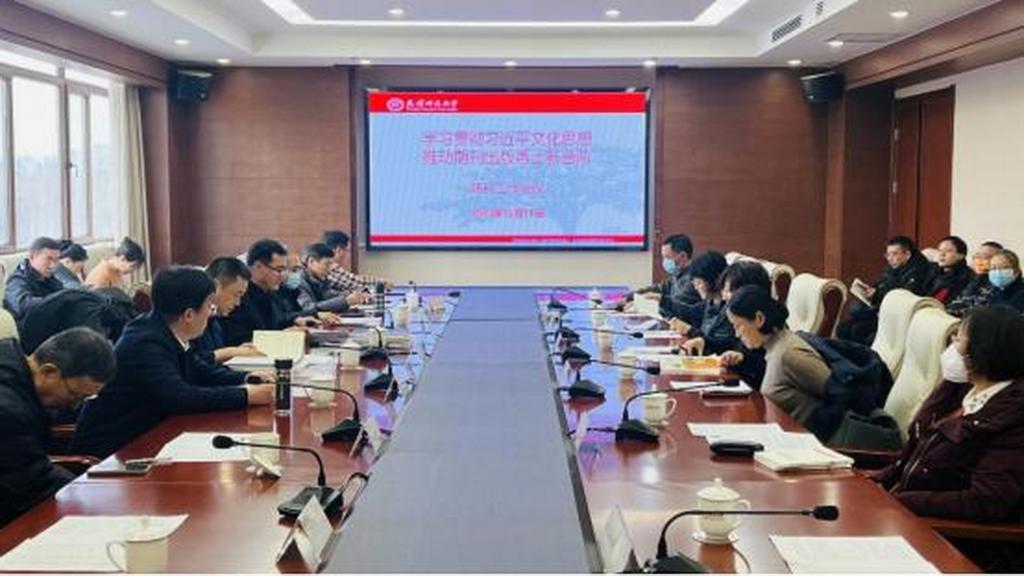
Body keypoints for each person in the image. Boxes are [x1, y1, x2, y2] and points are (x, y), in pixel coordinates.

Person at [875, 306, 1024, 572]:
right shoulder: (963, 390)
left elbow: (986, 501)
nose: (952, 344)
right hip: (905, 519)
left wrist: (901, 501)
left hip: (955, 543)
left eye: (959, 338)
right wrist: (872, 483)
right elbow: (915, 449)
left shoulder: (1014, 414)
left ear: (982, 351)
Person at [71, 267, 275, 458]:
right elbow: (179, 397)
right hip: (114, 450)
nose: (211, 312)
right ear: (189, 315)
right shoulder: (145, 342)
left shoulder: (163, 330)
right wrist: (246, 395)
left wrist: (246, 377)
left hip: (150, 436)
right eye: (208, 306)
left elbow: (199, 370)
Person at [725, 286, 895, 447]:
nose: (737, 334)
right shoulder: (774, 347)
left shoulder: (789, 353)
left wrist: (809, 439)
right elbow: (778, 384)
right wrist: (743, 363)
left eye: (738, 326)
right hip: (793, 437)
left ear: (759, 319)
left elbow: (841, 392)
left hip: (832, 443)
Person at [0, 328, 116, 527]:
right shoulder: (8, 410)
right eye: (74, 395)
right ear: (48, 372)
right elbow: (31, 483)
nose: (75, 406)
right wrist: (91, 495)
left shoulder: (13, 373)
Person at [221, 239, 323, 347]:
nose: (283, 275)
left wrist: (296, 321)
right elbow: (239, 340)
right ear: (258, 266)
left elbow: (280, 321)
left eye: (285, 270)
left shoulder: (272, 292)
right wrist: (283, 336)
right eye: (279, 270)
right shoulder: (238, 296)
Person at [837, 236, 937, 345]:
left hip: (897, 318)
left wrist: (878, 295)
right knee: (844, 327)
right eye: (888, 254)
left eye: (894, 254)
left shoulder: (919, 271)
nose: (890, 258)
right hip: (880, 310)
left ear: (907, 255)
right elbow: (881, 285)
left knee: (858, 331)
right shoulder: (893, 269)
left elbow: (904, 297)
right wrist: (871, 291)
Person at [193, 257, 263, 365]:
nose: (238, 303)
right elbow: (192, 364)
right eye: (236, 295)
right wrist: (229, 352)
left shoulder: (215, 320)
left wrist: (237, 351)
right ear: (215, 287)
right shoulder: (192, 318)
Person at [668, 251, 728, 352]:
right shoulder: (709, 303)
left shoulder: (729, 309)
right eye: (694, 283)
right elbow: (689, 312)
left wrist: (689, 330)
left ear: (715, 280)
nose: (696, 288)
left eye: (699, 283)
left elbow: (720, 345)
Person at [631, 234, 702, 318]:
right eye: (664, 257)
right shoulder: (677, 274)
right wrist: (631, 297)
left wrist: (658, 300)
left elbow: (677, 305)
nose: (665, 261)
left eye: (668, 257)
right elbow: (658, 288)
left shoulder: (694, 279)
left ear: (683, 256)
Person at [3, 237, 64, 322]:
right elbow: (23, 306)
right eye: (48, 259)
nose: (53, 266)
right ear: (32, 258)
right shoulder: (17, 281)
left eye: (56, 260)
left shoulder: (51, 279)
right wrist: (58, 300)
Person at [295, 243, 366, 315]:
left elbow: (328, 295)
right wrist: (345, 301)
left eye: (331, 264)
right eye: (327, 264)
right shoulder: (297, 282)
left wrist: (349, 295)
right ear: (311, 261)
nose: (330, 269)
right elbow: (308, 308)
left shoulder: (319, 280)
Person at [949, 249, 1024, 316]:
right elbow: (961, 304)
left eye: (1004, 267)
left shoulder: (1021, 293)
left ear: (1016, 271)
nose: (998, 272)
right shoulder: (991, 291)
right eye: (994, 268)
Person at [322, 231, 385, 301]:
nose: (347, 255)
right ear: (338, 250)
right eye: (346, 250)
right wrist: (382, 283)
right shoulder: (332, 267)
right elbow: (356, 283)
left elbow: (349, 284)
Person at [926, 236, 974, 304]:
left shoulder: (966, 277)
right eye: (940, 250)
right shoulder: (932, 270)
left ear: (961, 255)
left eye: (948, 251)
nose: (942, 254)